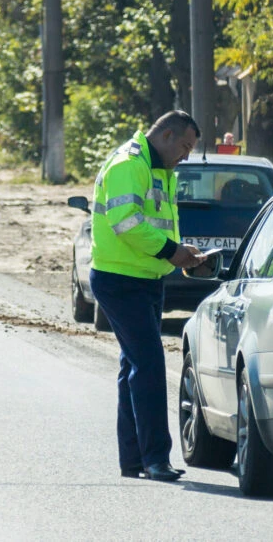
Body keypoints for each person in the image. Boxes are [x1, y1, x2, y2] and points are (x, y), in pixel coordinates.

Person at [90, 110, 206, 482]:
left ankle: (135, 460)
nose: (186, 155)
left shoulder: (160, 169)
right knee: (151, 365)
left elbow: (156, 223)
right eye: (185, 146)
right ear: (167, 135)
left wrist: (179, 251)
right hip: (119, 280)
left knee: (134, 368)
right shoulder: (129, 164)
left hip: (146, 279)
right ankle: (156, 458)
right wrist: (171, 251)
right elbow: (126, 222)